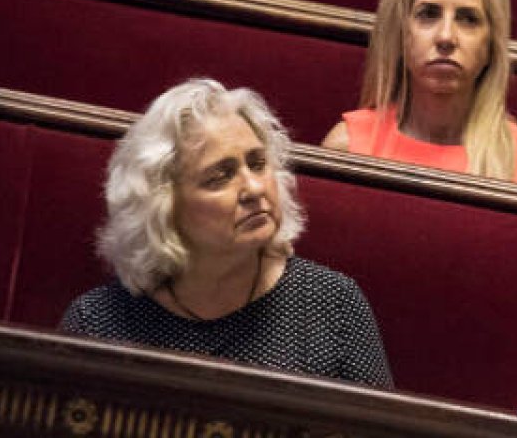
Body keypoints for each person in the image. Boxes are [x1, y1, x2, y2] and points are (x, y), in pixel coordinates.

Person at [61, 78, 393, 388]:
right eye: (220, 177)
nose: (254, 188)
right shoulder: (97, 323)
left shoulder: (334, 305)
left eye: (258, 164)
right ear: (163, 206)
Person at [323, 0, 517, 189]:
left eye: (468, 19)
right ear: (400, 34)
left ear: (491, 46)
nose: (446, 37)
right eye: (428, 14)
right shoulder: (348, 146)